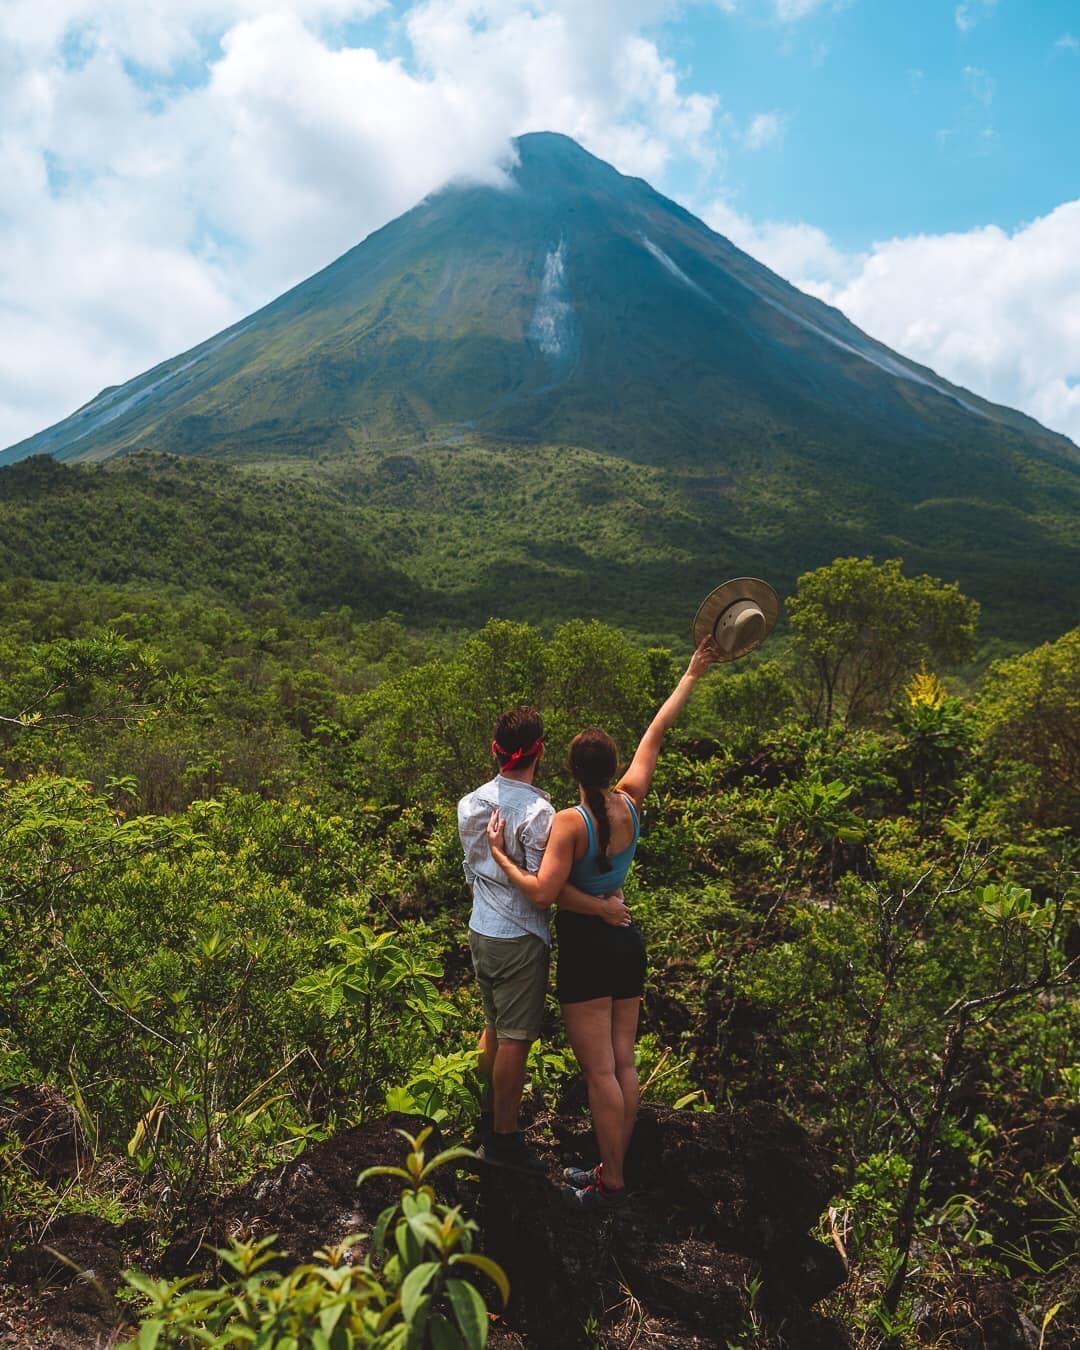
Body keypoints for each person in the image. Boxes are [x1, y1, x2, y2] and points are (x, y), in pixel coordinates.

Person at [485, 637, 719, 1207]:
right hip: (626, 940)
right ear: (615, 768)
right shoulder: (631, 803)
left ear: (570, 769)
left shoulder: (570, 821)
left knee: (600, 1075)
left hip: (588, 950)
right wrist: (692, 672)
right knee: (624, 1061)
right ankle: (613, 1168)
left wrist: (501, 858)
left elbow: (544, 893)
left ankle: (611, 1180)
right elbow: (656, 732)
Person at [458, 704, 632, 1171]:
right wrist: (602, 904)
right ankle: (503, 1137)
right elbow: (547, 892)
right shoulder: (539, 813)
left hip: (480, 929)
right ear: (538, 751)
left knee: (494, 1026)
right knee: (516, 1038)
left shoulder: (470, 803)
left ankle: (484, 1113)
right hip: (518, 937)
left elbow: (478, 868)